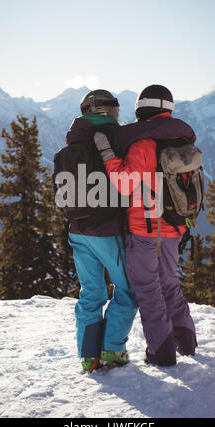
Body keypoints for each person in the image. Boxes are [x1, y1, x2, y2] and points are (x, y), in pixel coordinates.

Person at [94, 85, 198, 367]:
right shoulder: (181, 141)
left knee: (148, 288)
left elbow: (125, 183)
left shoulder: (143, 144)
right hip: (175, 227)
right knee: (168, 282)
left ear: (142, 109)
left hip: (145, 229)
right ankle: (186, 339)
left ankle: (161, 352)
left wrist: (107, 154)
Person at [56, 89, 138, 373]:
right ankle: (113, 351)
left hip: (77, 231)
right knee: (127, 290)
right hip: (108, 231)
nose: (119, 113)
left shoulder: (71, 144)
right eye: (116, 107)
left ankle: (87, 357)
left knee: (91, 293)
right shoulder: (116, 140)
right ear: (107, 110)